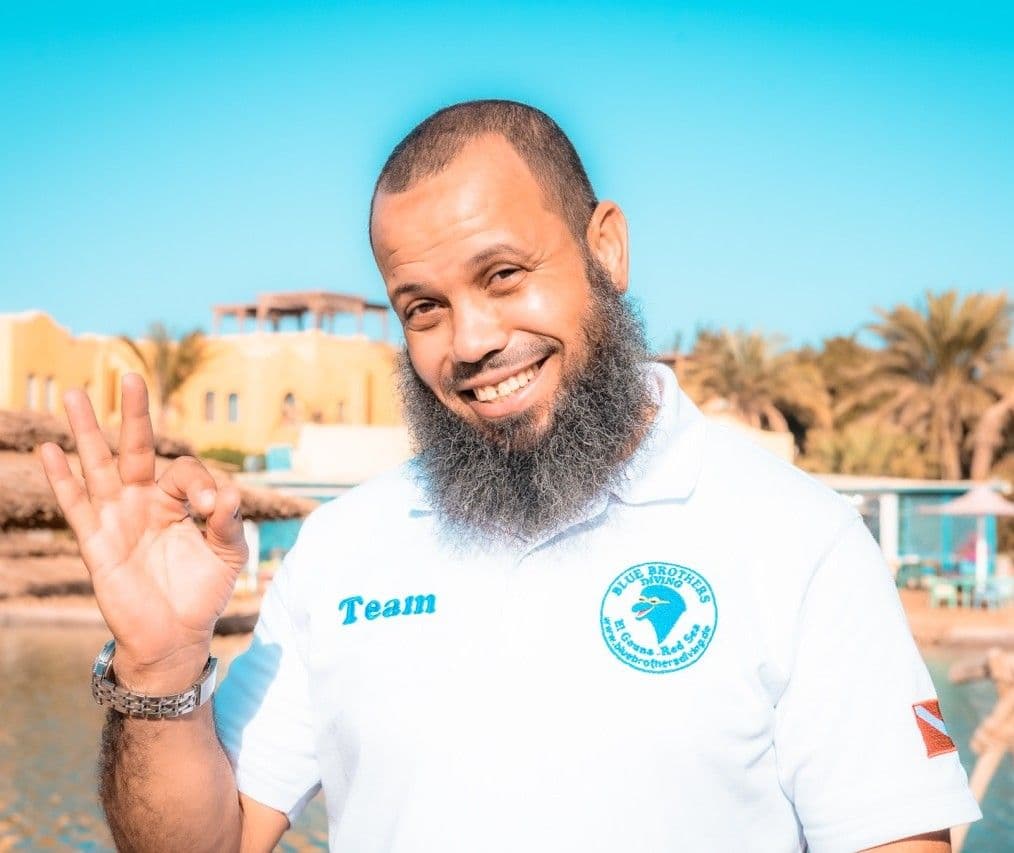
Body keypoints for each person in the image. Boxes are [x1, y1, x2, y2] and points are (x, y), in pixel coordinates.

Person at [41, 100, 980, 852]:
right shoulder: (341, 550)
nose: (474, 342)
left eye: (502, 275)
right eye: (424, 307)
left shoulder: (797, 538)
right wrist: (159, 665)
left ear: (603, 248)